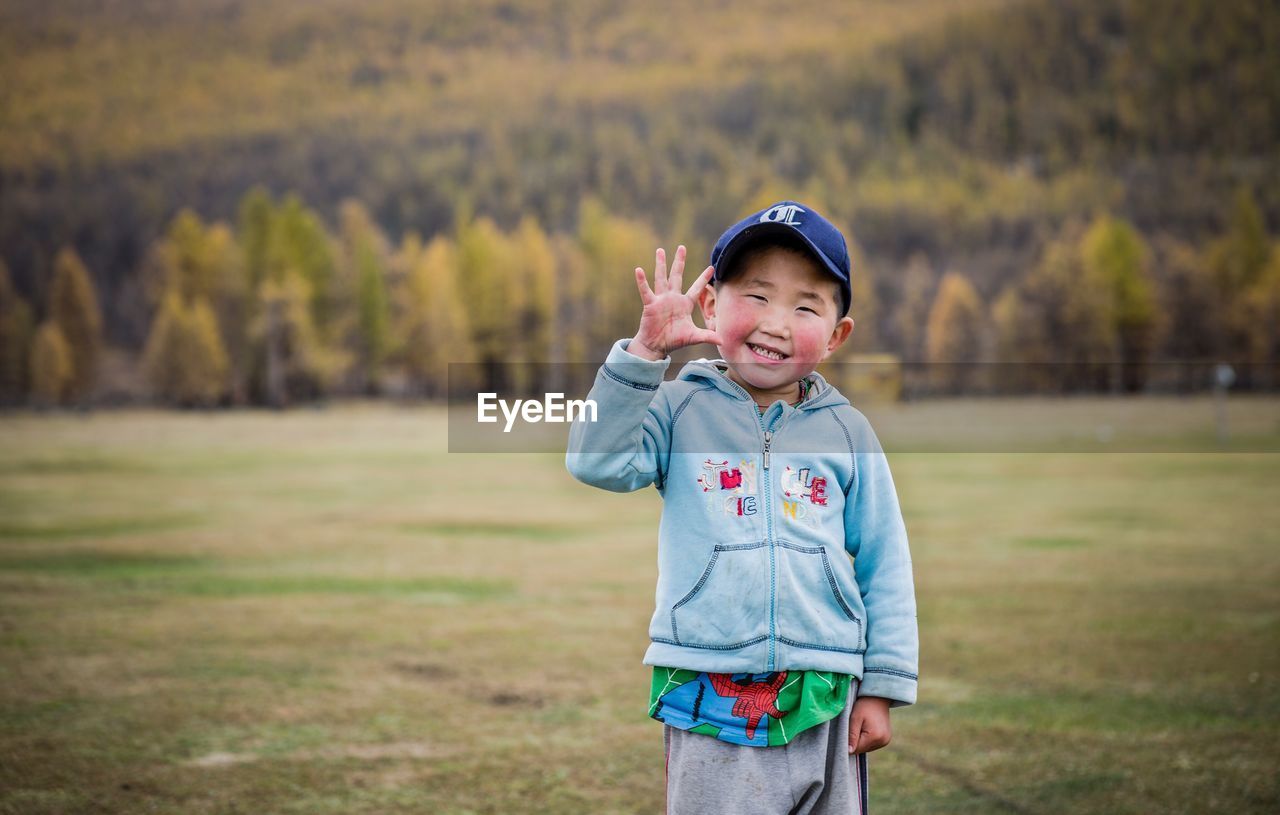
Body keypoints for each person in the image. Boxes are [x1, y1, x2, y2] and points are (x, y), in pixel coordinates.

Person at [565, 201, 918, 814]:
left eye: (805, 305)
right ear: (711, 306)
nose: (776, 323)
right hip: (709, 686)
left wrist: (881, 688)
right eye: (756, 296)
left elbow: (884, 564)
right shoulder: (677, 410)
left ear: (837, 335)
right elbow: (597, 459)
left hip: (827, 691)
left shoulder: (848, 433)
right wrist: (644, 355)